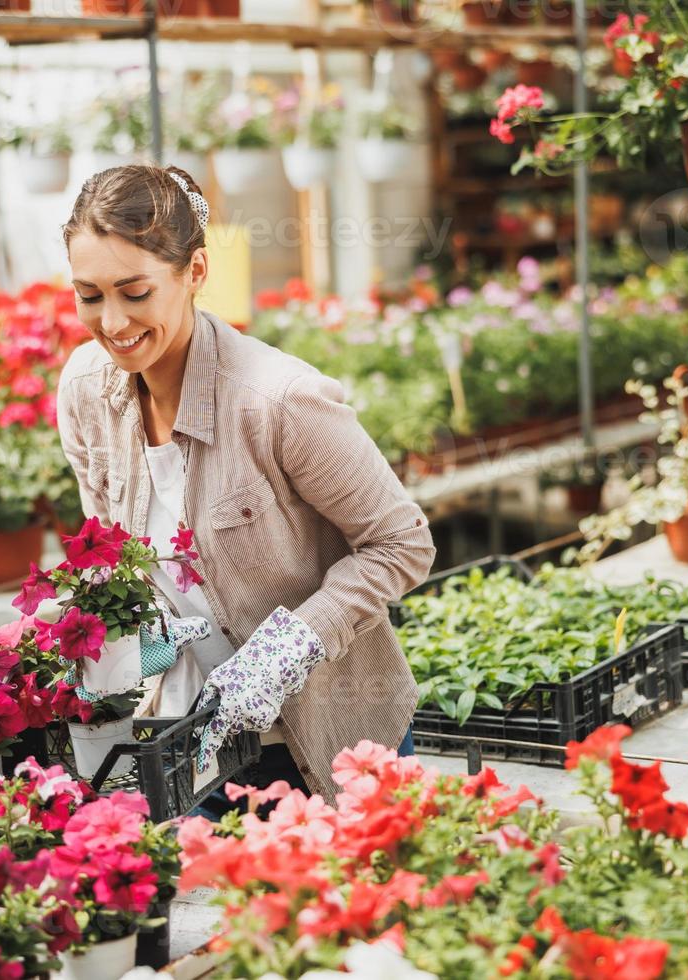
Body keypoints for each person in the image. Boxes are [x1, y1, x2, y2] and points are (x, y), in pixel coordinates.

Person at [55, 164, 434, 808]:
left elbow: (402, 545)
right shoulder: (89, 390)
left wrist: (286, 650)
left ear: (195, 272)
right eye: (90, 295)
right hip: (194, 735)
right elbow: (112, 559)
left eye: (135, 291)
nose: (112, 321)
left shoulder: (277, 401)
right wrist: (110, 646)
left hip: (331, 736)